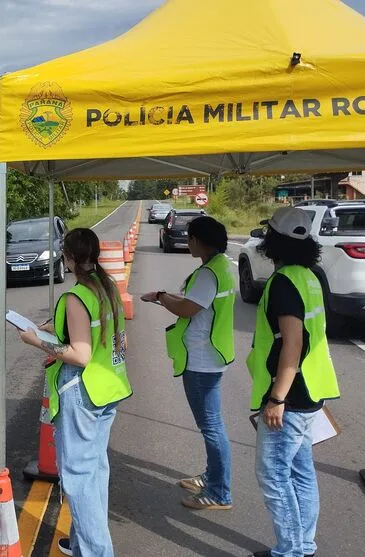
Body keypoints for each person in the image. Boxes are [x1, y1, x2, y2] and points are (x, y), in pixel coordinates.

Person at [18, 228, 132, 557]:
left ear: (68, 258)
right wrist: (52, 327)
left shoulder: (75, 297)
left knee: (79, 479)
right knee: (94, 470)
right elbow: (101, 331)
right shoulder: (105, 286)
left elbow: (80, 354)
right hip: (108, 387)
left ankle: (97, 551)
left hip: (82, 392)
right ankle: (83, 544)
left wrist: (37, 341)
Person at [246, 207, 340, 557]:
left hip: (291, 397)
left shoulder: (284, 282)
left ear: (272, 241)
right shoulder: (309, 275)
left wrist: (277, 398)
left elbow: (293, 343)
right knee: (300, 472)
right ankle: (303, 546)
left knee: (273, 476)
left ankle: (289, 552)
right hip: (310, 392)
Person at [141, 216, 235, 511]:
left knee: (211, 426)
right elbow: (195, 303)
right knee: (211, 424)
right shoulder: (219, 267)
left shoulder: (209, 274)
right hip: (210, 356)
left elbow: (187, 308)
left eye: (190, 236)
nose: (188, 241)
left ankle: (220, 492)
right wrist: (167, 298)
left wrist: (160, 296)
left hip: (202, 360)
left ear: (197, 240)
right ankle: (212, 477)